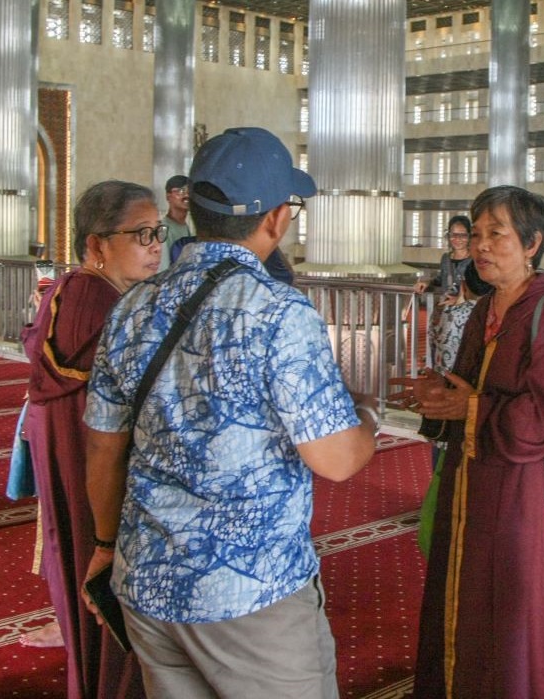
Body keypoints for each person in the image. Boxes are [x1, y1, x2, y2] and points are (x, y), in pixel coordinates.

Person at [81, 126, 379, 697]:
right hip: (248, 592)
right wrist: (365, 420)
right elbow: (337, 459)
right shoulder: (277, 311)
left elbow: (103, 444)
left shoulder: (132, 306)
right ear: (275, 219)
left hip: (148, 580)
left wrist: (103, 545)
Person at [391, 186, 544, 698]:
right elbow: (466, 390)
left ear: (532, 243)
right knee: (462, 604)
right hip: (470, 490)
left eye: (495, 234)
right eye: (476, 234)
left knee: (509, 624)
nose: (481, 246)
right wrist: (438, 399)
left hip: (522, 503)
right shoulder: (487, 310)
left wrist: (471, 409)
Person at [20, 180, 158, 698]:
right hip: (96, 469)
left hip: (86, 465)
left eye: (157, 232)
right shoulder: (92, 299)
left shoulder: (89, 291)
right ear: (97, 244)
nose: (154, 245)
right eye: (140, 233)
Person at [413, 214, 477, 372]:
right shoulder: (446, 258)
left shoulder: (475, 260)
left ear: (469, 236)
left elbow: (481, 287)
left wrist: (461, 298)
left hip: (464, 314)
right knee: (438, 348)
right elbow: (441, 279)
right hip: (443, 312)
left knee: (459, 352)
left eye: (462, 235)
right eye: (453, 234)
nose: (457, 239)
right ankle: (439, 381)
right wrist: (427, 282)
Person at [158, 174, 193, 271]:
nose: (186, 195)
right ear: (168, 197)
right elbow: (162, 268)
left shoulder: (185, 226)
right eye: (181, 191)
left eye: (189, 191)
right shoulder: (163, 229)